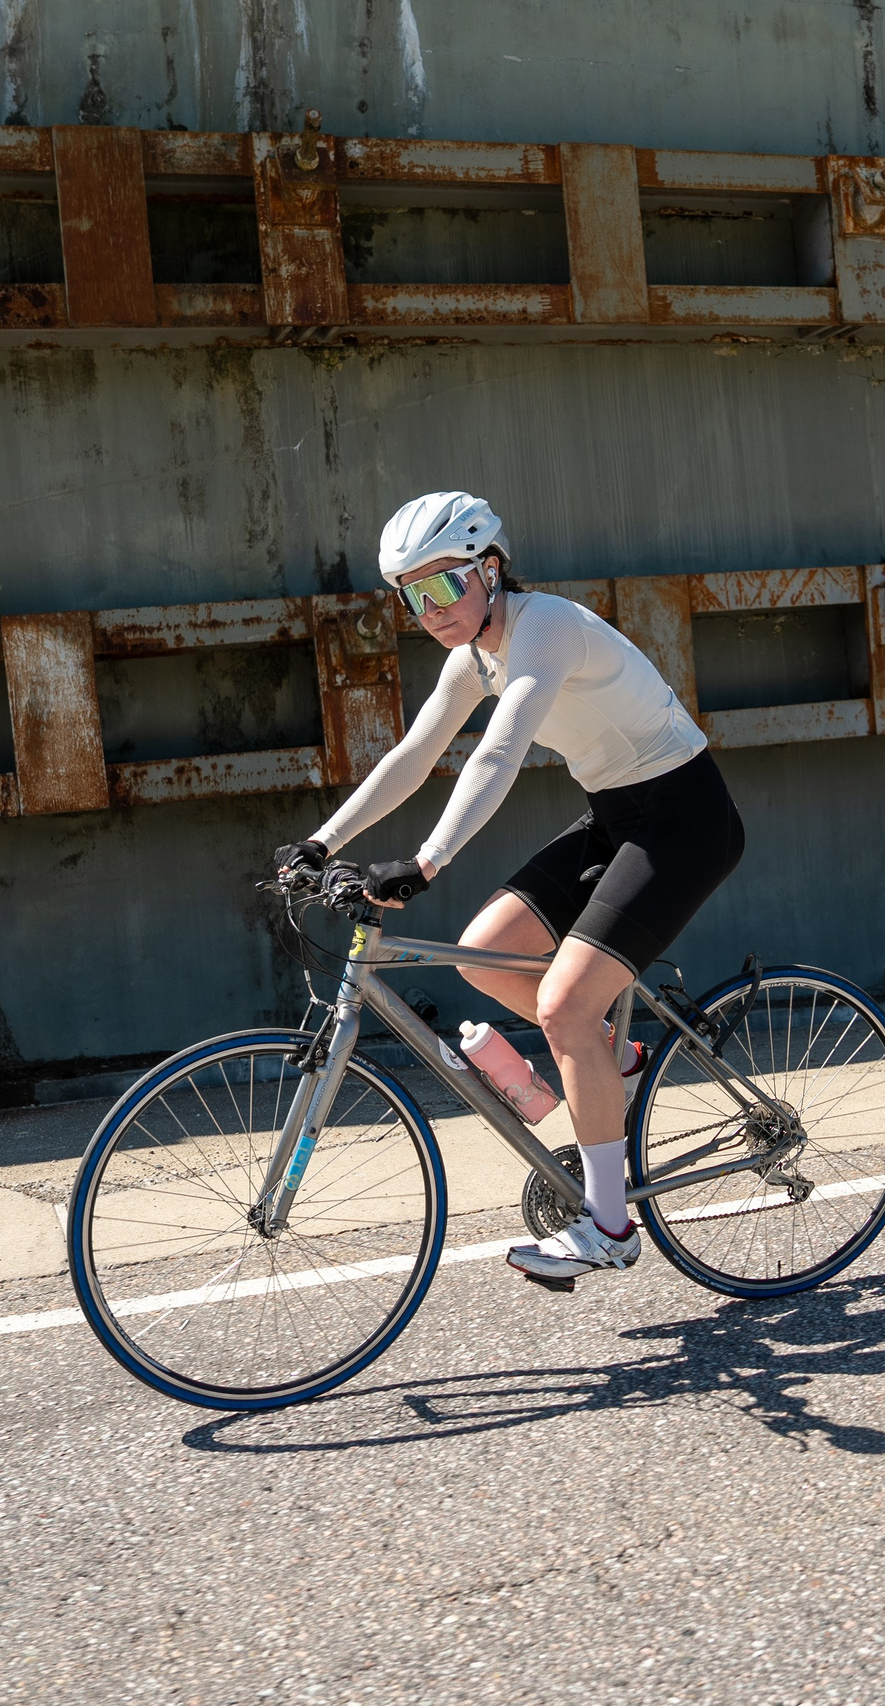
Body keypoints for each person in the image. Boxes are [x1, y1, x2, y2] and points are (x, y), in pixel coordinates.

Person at [274, 492, 745, 1286]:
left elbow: (498, 751)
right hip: (614, 812)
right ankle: (616, 1062)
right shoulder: (473, 658)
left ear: (490, 569)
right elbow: (413, 757)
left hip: (685, 817)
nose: (431, 610)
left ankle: (609, 1227)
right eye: (412, 596)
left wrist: (425, 862)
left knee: (562, 1005)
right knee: (482, 954)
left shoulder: (548, 627)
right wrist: (325, 840)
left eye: (446, 585)